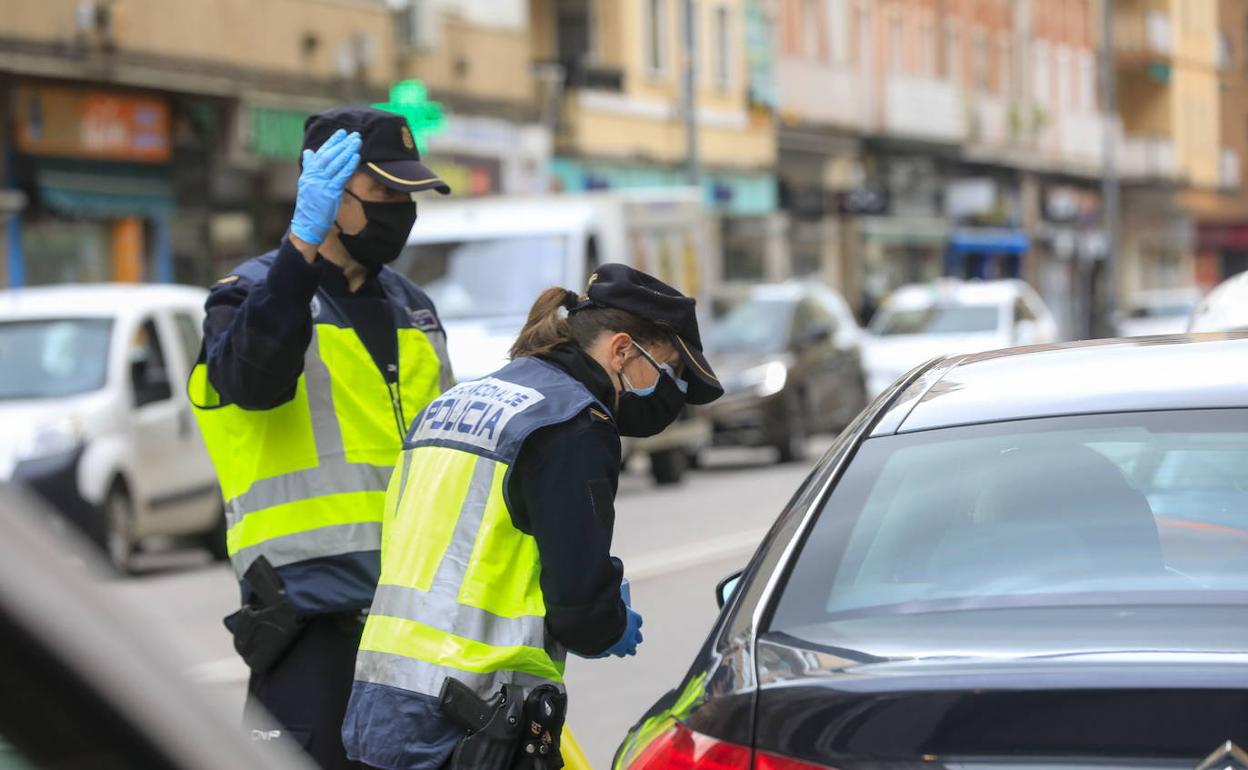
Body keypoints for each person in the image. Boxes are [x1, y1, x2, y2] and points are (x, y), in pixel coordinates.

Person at [340, 263, 723, 770]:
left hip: (383, 709)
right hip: (473, 720)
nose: (668, 389)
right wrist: (609, 620)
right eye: (667, 369)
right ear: (623, 349)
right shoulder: (574, 424)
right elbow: (581, 612)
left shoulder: (454, 403)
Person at [187, 106, 454, 770]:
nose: (400, 209)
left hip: (413, 627)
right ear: (327, 192)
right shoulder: (246, 296)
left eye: (407, 195)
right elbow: (254, 378)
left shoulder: (415, 310)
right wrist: (298, 249)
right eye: (383, 191)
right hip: (310, 629)